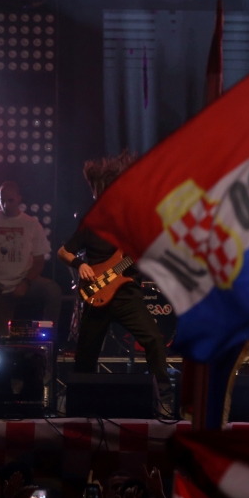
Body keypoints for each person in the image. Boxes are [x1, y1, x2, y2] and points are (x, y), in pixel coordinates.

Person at [57, 153, 173, 416]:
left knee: (154, 340)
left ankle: (164, 398)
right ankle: (77, 404)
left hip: (127, 296)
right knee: (85, 355)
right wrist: (80, 264)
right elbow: (63, 252)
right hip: (96, 296)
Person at [0, 181, 62, 339]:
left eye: (10, 200)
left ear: (19, 198)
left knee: (53, 290)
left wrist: (25, 282)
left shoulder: (31, 224)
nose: (5, 205)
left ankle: (49, 338)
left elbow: (39, 262)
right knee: (5, 337)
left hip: (24, 281)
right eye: (2, 200)